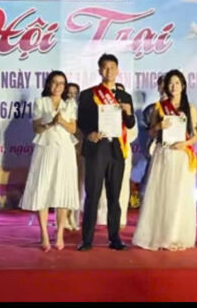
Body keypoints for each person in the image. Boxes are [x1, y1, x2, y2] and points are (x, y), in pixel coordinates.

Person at [133, 70, 197, 250]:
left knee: (178, 196)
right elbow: (151, 133)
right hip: (163, 153)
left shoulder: (190, 108)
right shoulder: (159, 107)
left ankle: (176, 236)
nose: (174, 86)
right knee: (162, 195)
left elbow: (195, 135)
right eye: (171, 83)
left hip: (181, 155)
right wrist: (158, 126)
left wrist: (185, 143)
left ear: (183, 85)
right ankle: (161, 236)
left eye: (177, 83)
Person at [76, 54, 135, 252]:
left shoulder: (125, 97)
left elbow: (130, 124)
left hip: (116, 151)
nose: (109, 71)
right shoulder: (88, 94)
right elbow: (81, 121)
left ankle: (115, 238)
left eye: (112, 67)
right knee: (92, 195)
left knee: (114, 196)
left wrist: (128, 112)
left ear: (118, 70)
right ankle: (87, 239)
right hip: (97, 149)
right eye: (105, 67)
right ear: (100, 70)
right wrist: (89, 134)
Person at [20, 71, 79, 251]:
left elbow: (73, 129)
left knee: (62, 192)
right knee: (43, 190)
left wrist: (61, 122)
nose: (58, 86)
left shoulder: (69, 104)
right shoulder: (41, 102)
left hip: (65, 150)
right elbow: (37, 128)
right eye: (54, 82)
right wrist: (52, 123)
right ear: (48, 84)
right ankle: (44, 234)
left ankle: (59, 233)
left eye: (61, 83)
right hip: (45, 149)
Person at [97, 82, 138, 228]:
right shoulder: (102, 110)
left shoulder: (129, 113)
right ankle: (102, 217)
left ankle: (120, 218)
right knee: (103, 184)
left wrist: (120, 134)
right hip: (103, 148)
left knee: (122, 185)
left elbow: (133, 133)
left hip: (122, 149)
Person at [138, 75, 166, 197]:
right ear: (158, 88)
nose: (166, 89)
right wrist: (156, 128)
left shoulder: (183, 109)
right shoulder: (151, 110)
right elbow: (144, 134)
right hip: (155, 153)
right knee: (150, 190)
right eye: (162, 86)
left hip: (176, 153)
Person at [62, 82, 84, 231]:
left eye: (75, 93)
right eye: (69, 93)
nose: (72, 96)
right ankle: (63, 218)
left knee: (78, 186)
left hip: (80, 150)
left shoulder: (81, 110)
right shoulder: (61, 108)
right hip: (64, 149)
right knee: (65, 185)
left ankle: (74, 217)